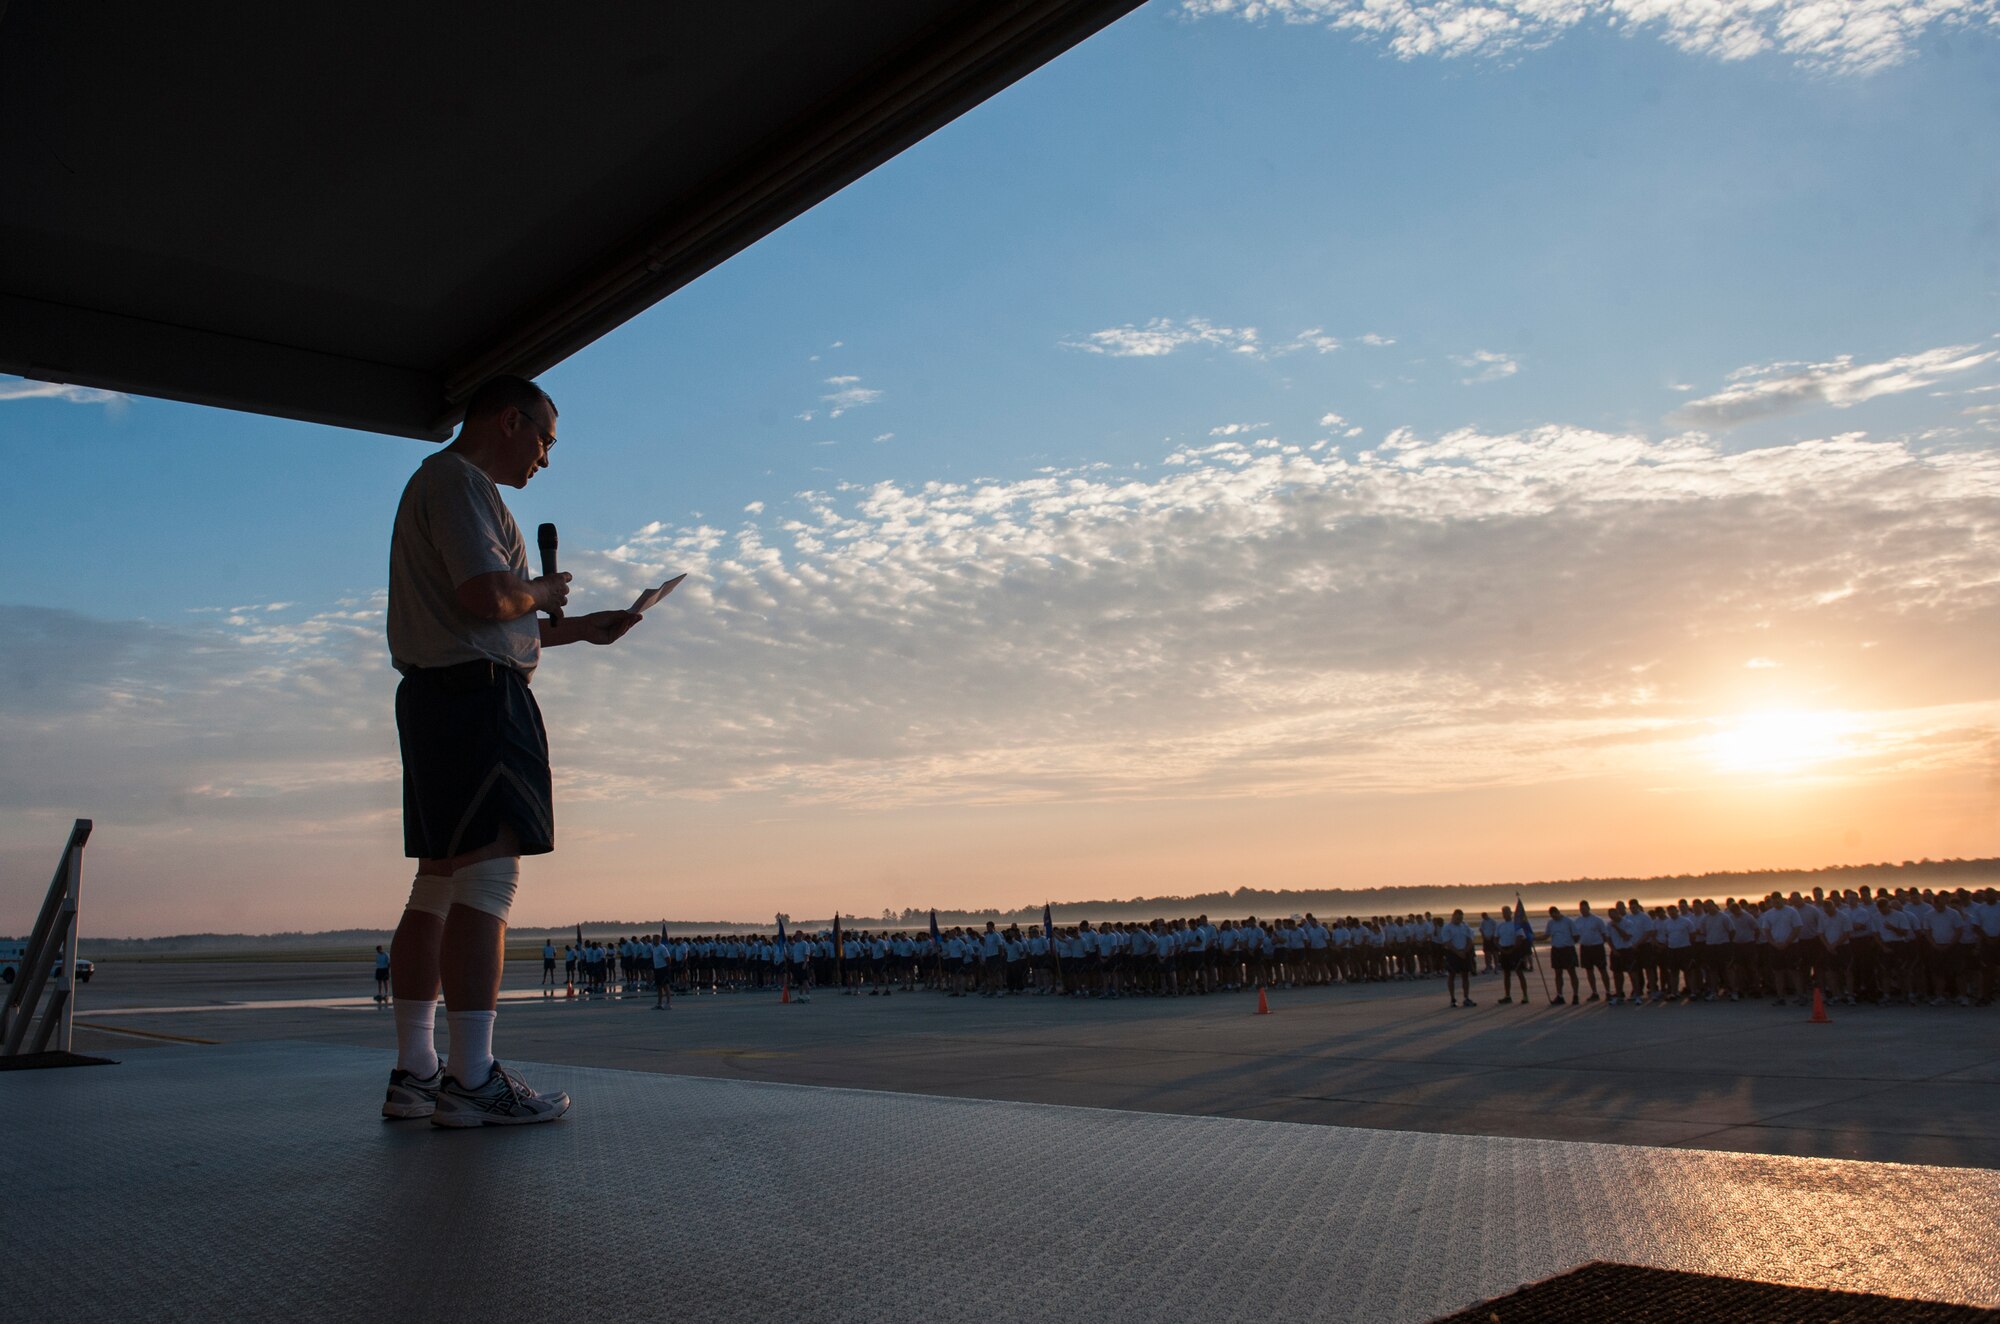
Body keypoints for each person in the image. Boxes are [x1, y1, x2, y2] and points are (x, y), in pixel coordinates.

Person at [380, 375, 642, 1127]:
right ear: (509, 421)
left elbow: (496, 614)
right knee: (488, 882)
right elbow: (488, 598)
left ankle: (417, 1068)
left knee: (435, 885)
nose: (546, 460)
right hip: (478, 699)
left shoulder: (440, 487)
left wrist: (578, 623)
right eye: (545, 440)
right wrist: (543, 586)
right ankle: (472, 1078)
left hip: (438, 694)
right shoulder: (460, 484)